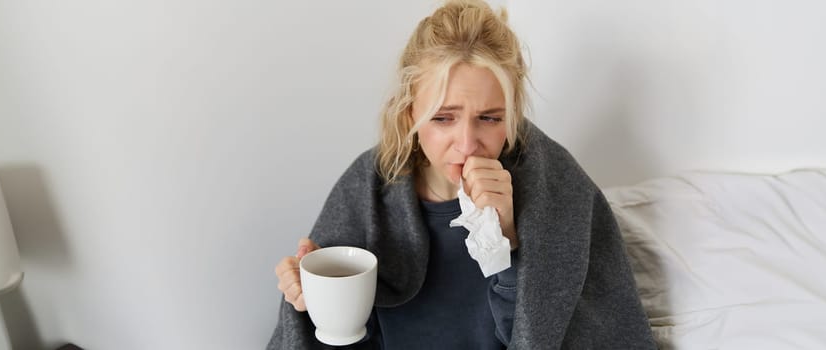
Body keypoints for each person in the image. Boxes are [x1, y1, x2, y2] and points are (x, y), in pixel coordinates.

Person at [267, 1, 656, 349]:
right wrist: (314, 297)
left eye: (489, 118)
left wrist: (507, 242)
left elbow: (556, 335)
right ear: (410, 116)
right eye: (442, 118)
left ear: (512, 115)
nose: (467, 143)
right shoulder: (368, 189)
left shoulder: (555, 186)